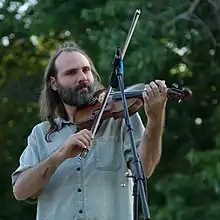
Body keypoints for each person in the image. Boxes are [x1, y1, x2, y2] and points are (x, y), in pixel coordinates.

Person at [11, 41, 167, 220]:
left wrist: (155, 120)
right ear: (54, 83)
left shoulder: (120, 118)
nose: (82, 77)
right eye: (71, 73)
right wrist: (61, 153)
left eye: (86, 70)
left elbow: (145, 169)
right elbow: (20, 191)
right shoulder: (41, 134)